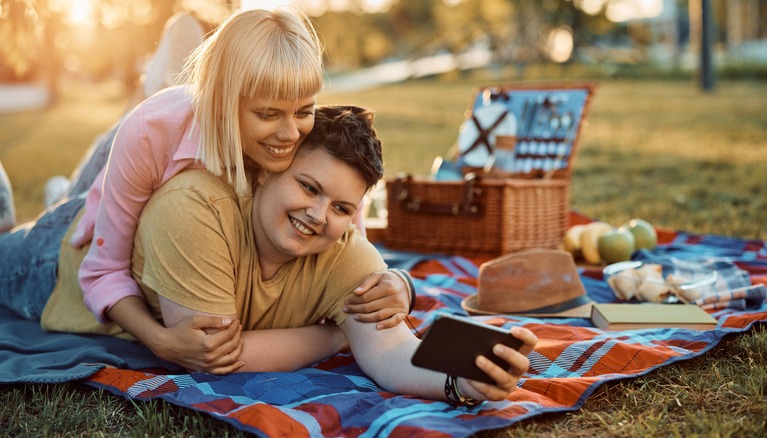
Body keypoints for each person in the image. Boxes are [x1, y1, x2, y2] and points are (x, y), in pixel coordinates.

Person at [0, 105, 538, 405]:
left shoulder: (344, 246)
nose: (319, 215)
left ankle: (76, 184)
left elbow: (393, 350)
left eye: (342, 206)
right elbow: (213, 354)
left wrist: (459, 382)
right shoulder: (195, 207)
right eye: (307, 187)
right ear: (266, 169)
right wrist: (335, 332)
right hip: (55, 262)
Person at [3, 8, 412, 373]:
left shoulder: (299, 129)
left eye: (304, 110)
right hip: (64, 247)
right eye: (269, 114)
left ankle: (66, 189)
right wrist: (158, 339)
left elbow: (349, 240)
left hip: (129, 207)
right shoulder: (155, 131)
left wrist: (398, 285)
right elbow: (101, 270)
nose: (291, 134)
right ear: (224, 100)